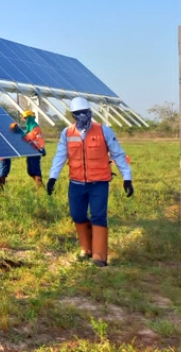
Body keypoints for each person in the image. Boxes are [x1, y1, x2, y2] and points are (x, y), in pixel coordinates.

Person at [46, 97, 133, 267]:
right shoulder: (67, 133)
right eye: (78, 114)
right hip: (76, 183)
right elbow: (60, 156)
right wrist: (52, 177)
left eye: (85, 113)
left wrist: (127, 178)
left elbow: (118, 155)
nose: (83, 116)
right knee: (77, 215)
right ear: (73, 115)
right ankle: (86, 248)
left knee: (98, 216)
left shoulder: (104, 131)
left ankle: (99, 256)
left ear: (90, 113)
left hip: (99, 183)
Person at [10, 110, 48, 188]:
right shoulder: (29, 129)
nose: (25, 120)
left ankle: (40, 186)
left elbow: (39, 138)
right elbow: (25, 135)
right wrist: (15, 129)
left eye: (26, 118)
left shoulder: (35, 127)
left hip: (36, 151)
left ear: (30, 118)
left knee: (35, 169)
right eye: (24, 118)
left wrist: (42, 147)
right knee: (30, 170)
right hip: (30, 151)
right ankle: (39, 185)